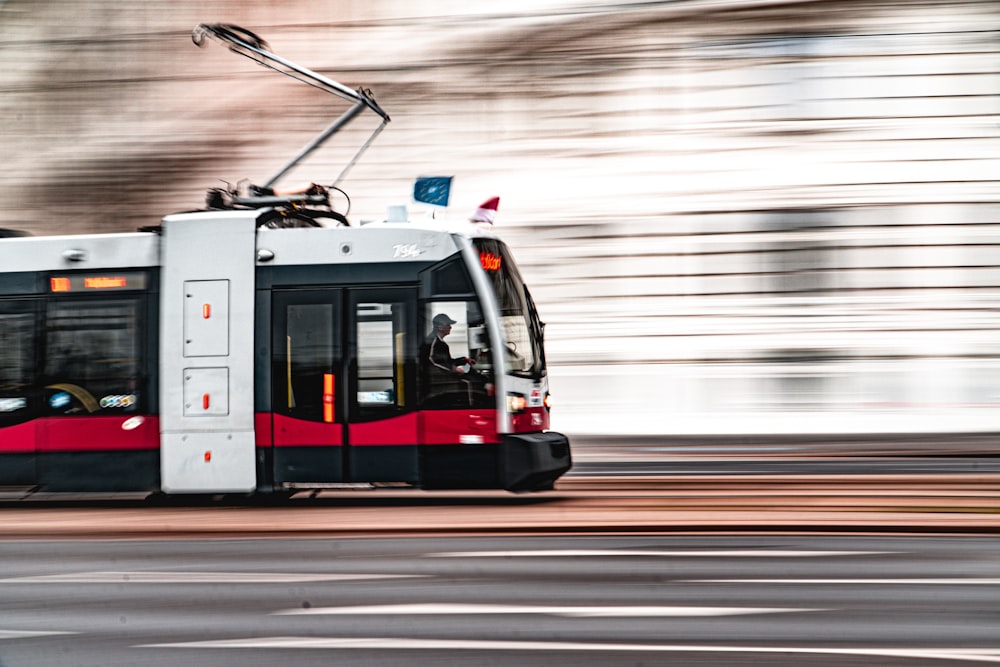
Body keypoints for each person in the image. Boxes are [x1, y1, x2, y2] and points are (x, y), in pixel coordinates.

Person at [421, 313, 476, 405]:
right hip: (438, 380)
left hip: (442, 377)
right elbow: (432, 361)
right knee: (468, 383)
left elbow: (446, 361)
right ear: (440, 327)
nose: (450, 327)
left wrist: (464, 360)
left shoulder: (440, 343)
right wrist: (453, 369)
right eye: (448, 325)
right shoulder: (433, 341)